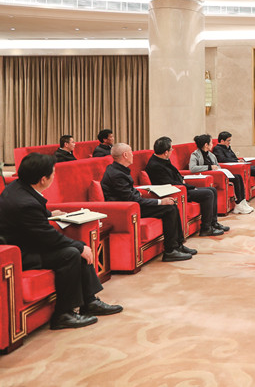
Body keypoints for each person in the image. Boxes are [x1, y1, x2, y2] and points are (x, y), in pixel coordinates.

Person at [0, 153, 122, 329]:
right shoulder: (25, 203)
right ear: (43, 179)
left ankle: (89, 302)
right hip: (20, 254)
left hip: (27, 242)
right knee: (71, 253)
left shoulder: (19, 187)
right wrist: (80, 247)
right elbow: (48, 236)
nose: (54, 175)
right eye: (53, 173)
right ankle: (63, 314)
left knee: (76, 248)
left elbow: (32, 217)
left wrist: (49, 215)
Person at [101, 143, 194, 261]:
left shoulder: (118, 169)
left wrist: (138, 193)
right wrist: (160, 202)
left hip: (132, 204)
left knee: (172, 206)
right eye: (131, 151)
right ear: (125, 155)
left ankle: (178, 245)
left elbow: (129, 192)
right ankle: (170, 251)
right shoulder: (117, 174)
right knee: (169, 209)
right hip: (126, 210)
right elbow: (130, 198)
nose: (133, 154)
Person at [146, 136, 228, 237]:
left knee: (212, 190)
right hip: (177, 192)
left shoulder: (163, 159)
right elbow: (169, 183)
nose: (172, 151)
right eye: (171, 149)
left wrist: (182, 179)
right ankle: (206, 228)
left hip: (181, 188)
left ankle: (213, 223)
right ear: (166, 152)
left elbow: (175, 173)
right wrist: (189, 186)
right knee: (208, 193)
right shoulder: (155, 165)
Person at [190, 134, 252, 214]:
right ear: (206, 145)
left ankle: (242, 202)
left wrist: (218, 169)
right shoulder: (195, 155)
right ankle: (238, 204)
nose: (212, 144)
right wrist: (209, 167)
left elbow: (217, 165)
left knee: (238, 177)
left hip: (217, 174)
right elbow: (192, 168)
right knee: (236, 179)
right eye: (211, 143)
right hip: (209, 176)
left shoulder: (211, 155)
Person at [213, 131, 255, 202]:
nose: (229, 142)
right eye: (228, 140)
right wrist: (237, 162)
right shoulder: (217, 149)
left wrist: (239, 160)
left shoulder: (227, 147)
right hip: (236, 168)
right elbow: (222, 160)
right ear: (222, 141)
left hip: (240, 165)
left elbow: (234, 157)